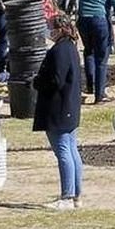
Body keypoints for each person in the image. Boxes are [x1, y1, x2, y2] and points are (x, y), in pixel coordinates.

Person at [32, 15, 84, 210]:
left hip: (59, 108)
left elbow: (56, 80)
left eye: (50, 27)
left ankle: (67, 196)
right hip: (69, 107)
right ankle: (76, 195)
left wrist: (37, 82)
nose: (48, 31)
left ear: (60, 29)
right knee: (71, 150)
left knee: (64, 152)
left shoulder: (60, 50)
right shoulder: (71, 47)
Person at [73, 0, 115, 104]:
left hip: (83, 20)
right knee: (101, 58)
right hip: (99, 20)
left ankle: (90, 86)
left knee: (89, 51)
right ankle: (99, 95)